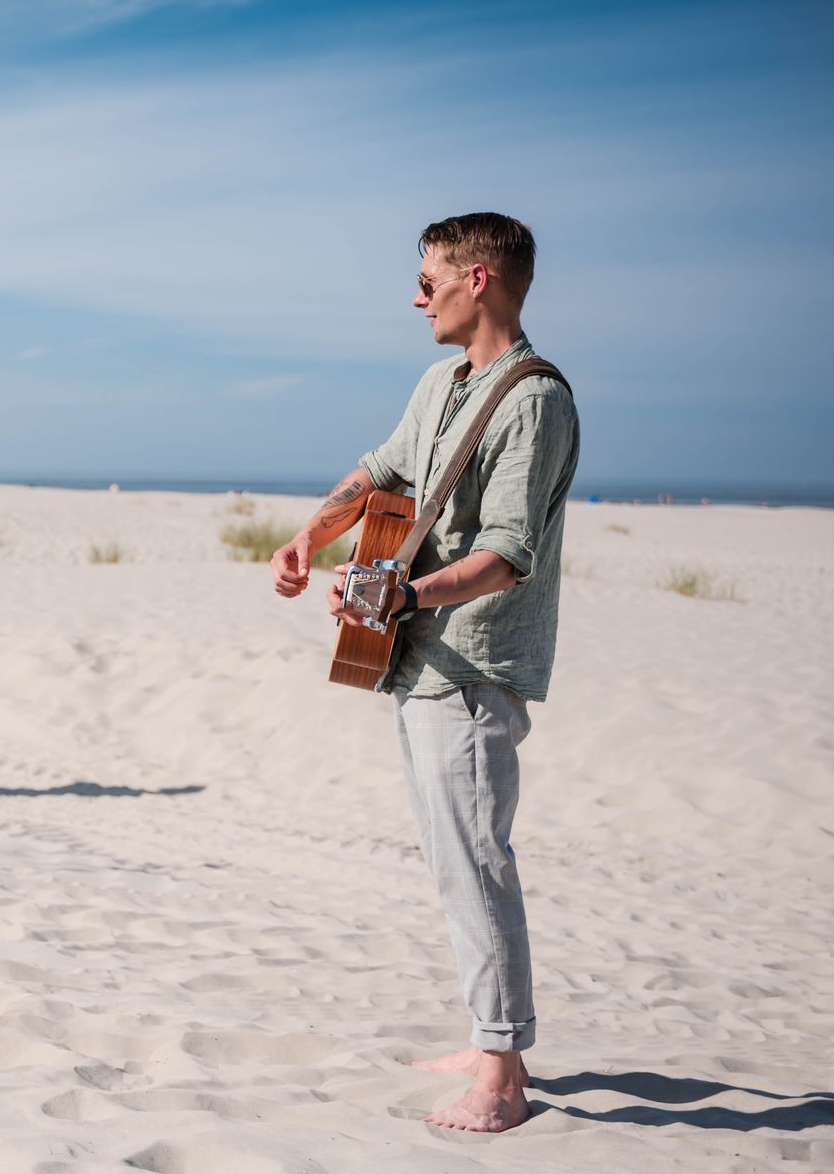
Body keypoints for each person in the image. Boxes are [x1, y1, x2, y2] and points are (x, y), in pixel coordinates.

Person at [270, 213, 579, 1134]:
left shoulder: (535, 400)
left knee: (479, 861)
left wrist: (404, 595)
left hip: (476, 665)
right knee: (453, 863)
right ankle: (489, 1042)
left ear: (477, 278)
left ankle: (504, 1074)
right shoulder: (441, 383)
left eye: (428, 279)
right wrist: (307, 536)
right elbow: (381, 470)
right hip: (418, 662)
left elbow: (508, 554)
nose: (416, 298)